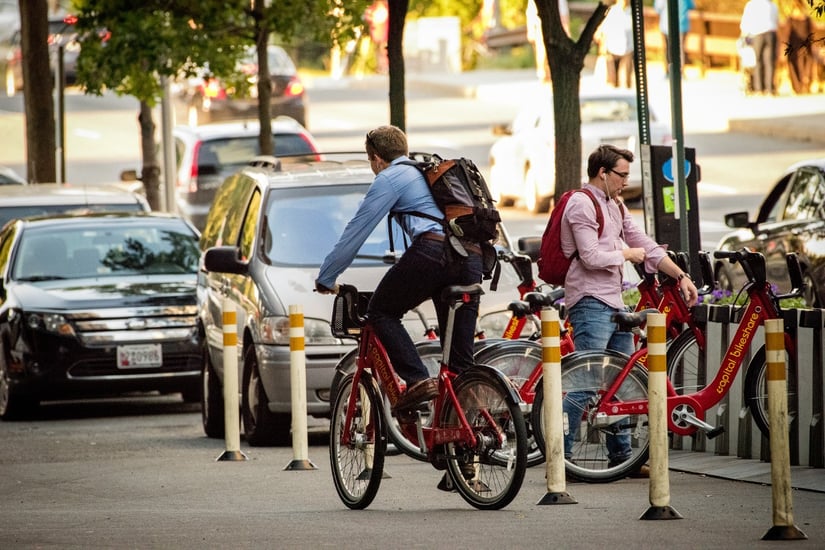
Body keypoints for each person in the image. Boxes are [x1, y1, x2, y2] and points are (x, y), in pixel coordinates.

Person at [315, 125, 483, 413]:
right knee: (458, 363)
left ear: (377, 159)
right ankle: (467, 439)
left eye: (371, 162)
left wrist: (327, 276)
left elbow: (357, 231)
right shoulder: (422, 171)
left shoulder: (390, 177)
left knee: (381, 312)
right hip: (471, 257)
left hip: (435, 252)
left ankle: (417, 379)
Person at [559, 144, 699, 476]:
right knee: (586, 382)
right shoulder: (582, 204)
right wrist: (627, 255)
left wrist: (680, 275)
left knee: (620, 384)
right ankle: (559, 456)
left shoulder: (615, 204)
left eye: (627, 175)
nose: (626, 181)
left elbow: (646, 244)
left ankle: (621, 456)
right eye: (621, 175)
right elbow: (591, 257)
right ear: (602, 173)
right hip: (590, 301)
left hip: (614, 301)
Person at [740, 0, 779, 96]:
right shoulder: (772, 5)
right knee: (769, 62)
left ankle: (759, 88)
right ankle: (769, 88)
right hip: (771, 33)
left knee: (757, 60)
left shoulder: (752, 4)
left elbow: (745, 22)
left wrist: (744, 34)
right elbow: (777, 20)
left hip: (757, 33)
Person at [526, 0, 569, 82]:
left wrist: (566, 28)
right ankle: (543, 73)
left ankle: (554, 73)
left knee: (557, 51)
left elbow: (564, 12)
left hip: (558, 26)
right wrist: (530, 29)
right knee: (542, 51)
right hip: (540, 25)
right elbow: (530, 12)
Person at [598, 0, 634, 88]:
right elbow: (603, 30)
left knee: (626, 77)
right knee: (612, 79)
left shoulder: (632, 12)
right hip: (612, 47)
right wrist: (603, 45)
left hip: (628, 48)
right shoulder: (612, 11)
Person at [655, 0, 695, 77]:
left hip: (667, 25)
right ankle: (680, 71)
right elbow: (691, 6)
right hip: (682, 24)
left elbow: (657, 8)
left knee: (668, 49)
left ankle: (668, 71)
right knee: (680, 49)